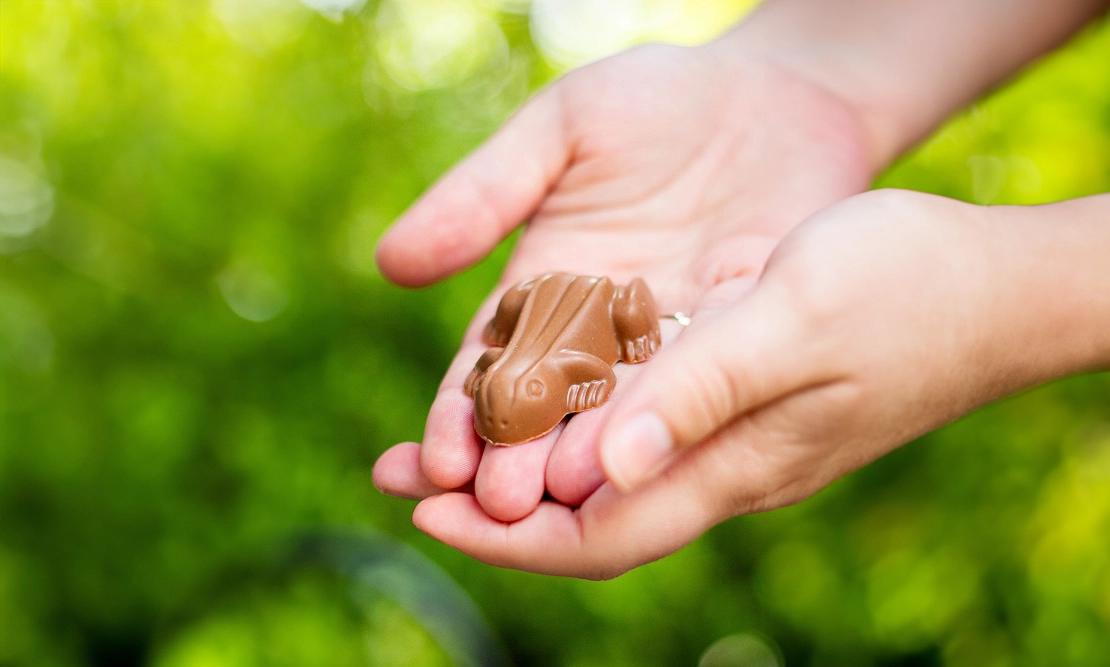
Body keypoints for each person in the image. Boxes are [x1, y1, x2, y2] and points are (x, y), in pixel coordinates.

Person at [371, 0, 1110, 579]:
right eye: (500, 394)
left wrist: (1004, 293)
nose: (500, 404)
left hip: (586, 303)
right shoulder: (519, 362)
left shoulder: (569, 367)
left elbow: (584, 370)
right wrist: (805, 77)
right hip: (555, 299)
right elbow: (517, 330)